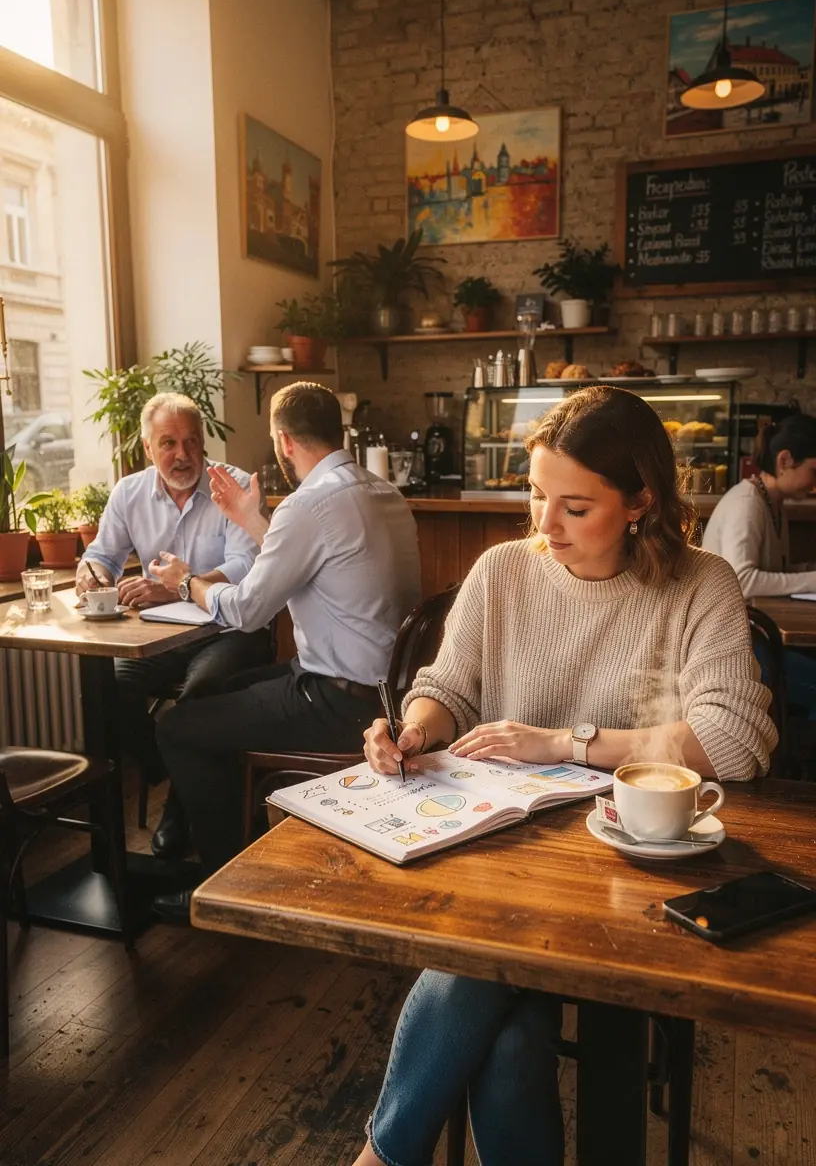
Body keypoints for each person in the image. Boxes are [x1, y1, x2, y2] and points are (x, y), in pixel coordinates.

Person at [355, 385, 776, 1166]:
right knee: (511, 1038)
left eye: (575, 507)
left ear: (641, 501)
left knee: (482, 973)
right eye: (536, 495)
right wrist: (413, 732)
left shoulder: (701, 583)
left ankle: (381, 1158)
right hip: (508, 855)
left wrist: (567, 742)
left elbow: (735, 739)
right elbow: (447, 690)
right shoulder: (503, 571)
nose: (545, 527)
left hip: (631, 877)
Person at [150, 382, 421, 923]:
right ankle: (239, 849)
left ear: (282, 440)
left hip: (341, 705)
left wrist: (186, 583)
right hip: (383, 693)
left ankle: (228, 887)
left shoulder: (309, 504)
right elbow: (311, 561)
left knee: (176, 728)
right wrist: (251, 519)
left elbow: (248, 609)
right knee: (219, 691)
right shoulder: (380, 489)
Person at [77, 392, 268, 860]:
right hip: (160, 636)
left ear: (203, 443)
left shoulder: (233, 485)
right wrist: (92, 572)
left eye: (190, 442)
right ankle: (171, 778)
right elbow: (102, 554)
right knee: (111, 688)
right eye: (168, 443)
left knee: (201, 694)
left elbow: (248, 564)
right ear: (147, 448)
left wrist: (183, 586)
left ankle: (177, 811)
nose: (182, 455)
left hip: (229, 630)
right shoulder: (129, 493)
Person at [703, 412, 816, 714]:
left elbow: (774, 572)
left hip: (758, 636)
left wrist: (806, 571)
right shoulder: (747, 502)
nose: (815, 483)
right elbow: (743, 579)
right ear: (785, 460)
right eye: (813, 470)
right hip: (733, 649)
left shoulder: (774, 503)